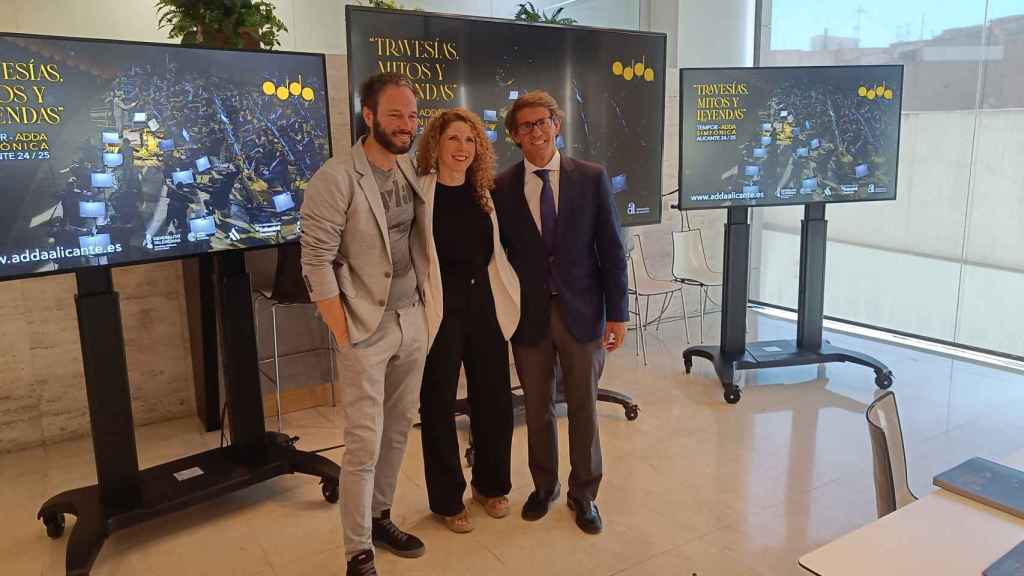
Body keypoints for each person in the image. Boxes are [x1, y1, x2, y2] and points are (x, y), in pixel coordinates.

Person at [300, 72, 441, 576]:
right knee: (363, 442)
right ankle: (357, 551)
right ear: (368, 116)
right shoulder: (336, 177)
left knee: (400, 430)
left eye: (411, 115)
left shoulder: (409, 168)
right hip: (365, 329)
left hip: (412, 321)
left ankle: (381, 516)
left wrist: (424, 313)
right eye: (395, 115)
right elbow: (315, 261)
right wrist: (344, 332)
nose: (406, 125)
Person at [492, 90, 628, 535]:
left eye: (542, 121)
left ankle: (584, 493)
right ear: (514, 135)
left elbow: (611, 249)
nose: (535, 131)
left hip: (583, 310)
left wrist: (617, 313)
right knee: (536, 407)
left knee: (584, 407)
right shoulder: (502, 186)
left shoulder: (590, 177)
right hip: (528, 316)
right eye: (525, 125)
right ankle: (544, 486)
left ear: (557, 125)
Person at [415, 109, 520, 534]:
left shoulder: (483, 193)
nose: (462, 148)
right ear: (435, 145)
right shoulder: (419, 193)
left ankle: (491, 486)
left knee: (494, 399)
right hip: (440, 307)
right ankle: (445, 499)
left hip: (484, 305)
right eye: (453, 139)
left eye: (470, 140)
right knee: (437, 405)